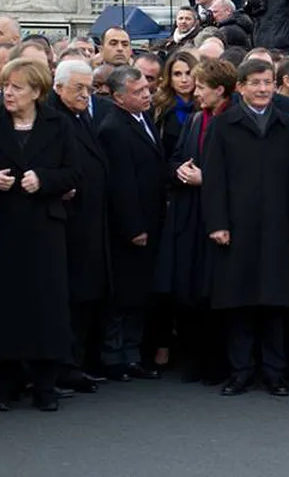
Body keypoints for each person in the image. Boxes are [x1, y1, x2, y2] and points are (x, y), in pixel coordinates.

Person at [0, 59, 79, 412]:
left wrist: (45, 180)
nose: (9, 93)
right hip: (1, 226)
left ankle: (46, 385)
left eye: (17, 87)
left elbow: (74, 172)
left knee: (46, 307)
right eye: (6, 86)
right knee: (2, 306)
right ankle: (2, 384)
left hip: (44, 228)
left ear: (36, 91)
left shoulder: (58, 124)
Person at [201, 59, 289, 397]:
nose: (262, 89)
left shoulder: (288, 125)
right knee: (239, 302)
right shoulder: (223, 125)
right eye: (255, 82)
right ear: (240, 87)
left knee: (275, 303)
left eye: (268, 82)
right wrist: (217, 223)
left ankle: (275, 371)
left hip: (277, 226)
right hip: (236, 227)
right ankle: (241, 370)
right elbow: (213, 179)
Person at [155, 59, 238, 385]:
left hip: (220, 216)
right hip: (190, 214)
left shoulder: (233, 119)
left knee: (215, 291)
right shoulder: (193, 121)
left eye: (201, 86)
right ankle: (195, 358)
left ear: (219, 90)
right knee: (190, 289)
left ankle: (218, 362)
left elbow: (244, 171)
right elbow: (176, 158)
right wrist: (180, 171)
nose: (195, 91)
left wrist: (208, 178)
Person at [97, 66, 165, 382]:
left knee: (140, 293)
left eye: (147, 90)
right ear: (119, 97)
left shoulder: (143, 119)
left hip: (151, 219)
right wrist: (133, 227)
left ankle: (132, 354)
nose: (146, 95)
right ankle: (114, 356)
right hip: (131, 228)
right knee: (123, 295)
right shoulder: (114, 128)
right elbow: (121, 184)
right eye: (138, 92)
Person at [47, 59, 111, 393]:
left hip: (87, 223)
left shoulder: (79, 116)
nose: (86, 95)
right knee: (69, 299)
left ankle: (75, 363)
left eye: (89, 88)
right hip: (68, 224)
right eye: (78, 89)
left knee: (85, 298)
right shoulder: (55, 119)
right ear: (58, 88)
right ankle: (62, 367)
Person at [152, 50, 199, 156]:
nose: (184, 80)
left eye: (189, 73)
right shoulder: (158, 107)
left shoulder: (205, 106)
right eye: (177, 74)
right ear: (169, 78)